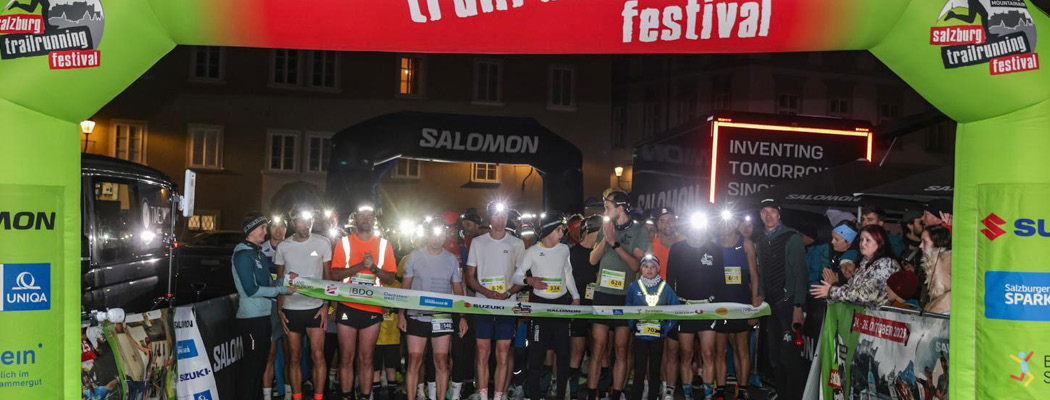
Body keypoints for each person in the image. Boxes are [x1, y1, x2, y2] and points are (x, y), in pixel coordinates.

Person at [331, 204, 398, 400]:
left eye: (370, 216)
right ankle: (346, 396)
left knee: (367, 358)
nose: (366, 219)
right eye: (363, 216)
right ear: (355, 219)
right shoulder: (344, 243)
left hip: (372, 308)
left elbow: (390, 278)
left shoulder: (384, 245)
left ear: (374, 220)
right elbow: (335, 274)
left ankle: (365, 395)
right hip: (347, 306)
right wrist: (361, 265)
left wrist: (374, 268)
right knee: (346, 358)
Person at [587, 191, 648, 400]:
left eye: (607, 207)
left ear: (620, 208)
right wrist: (606, 238)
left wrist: (615, 243)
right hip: (603, 294)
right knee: (598, 347)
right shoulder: (605, 229)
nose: (605, 211)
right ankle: (592, 393)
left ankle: (617, 393)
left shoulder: (639, 230)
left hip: (625, 296)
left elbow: (635, 266)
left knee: (621, 349)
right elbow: (592, 260)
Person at [513, 212, 580, 400]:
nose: (562, 234)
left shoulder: (564, 249)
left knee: (563, 354)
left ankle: (560, 395)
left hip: (561, 305)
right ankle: (534, 395)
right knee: (536, 355)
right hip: (540, 307)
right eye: (559, 230)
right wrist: (529, 280)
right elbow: (515, 276)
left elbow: (568, 273)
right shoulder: (532, 251)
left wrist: (575, 296)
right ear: (549, 232)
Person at [400, 221, 470, 400]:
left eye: (440, 235)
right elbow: (404, 289)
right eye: (433, 234)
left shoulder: (451, 259)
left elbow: (458, 289)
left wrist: (462, 316)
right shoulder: (414, 257)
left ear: (445, 236)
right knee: (414, 361)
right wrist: (401, 314)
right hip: (416, 316)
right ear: (427, 235)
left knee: (441, 362)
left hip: (442, 317)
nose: (436, 239)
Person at [464, 202, 527, 400]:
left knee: (502, 353)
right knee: (483, 352)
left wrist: (508, 293)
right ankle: (482, 394)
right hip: (483, 304)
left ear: (506, 218)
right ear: (489, 219)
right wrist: (485, 292)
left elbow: (522, 277)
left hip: (507, 305)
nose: (499, 220)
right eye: (495, 216)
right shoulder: (478, 242)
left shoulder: (517, 244)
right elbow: (470, 276)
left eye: (503, 216)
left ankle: (499, 395)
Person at [233, 213, 295, 400]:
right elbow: (250, 290)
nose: (265, 231)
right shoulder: (243, 254)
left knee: (260, 364)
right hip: (251, 319)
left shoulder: (257, 253)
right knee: (251, 366)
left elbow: (269, 284)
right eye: (262, 228)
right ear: (251, 231)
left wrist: (287, 279)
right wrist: (281, 290)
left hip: (263, 316)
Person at [665, 211, 724, 400]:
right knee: (686, 353)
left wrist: (716, 304)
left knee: (708, 353)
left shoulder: (715, 249)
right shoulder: (677, 249)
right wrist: (674, 305)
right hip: (684, 307)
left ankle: (708, 394)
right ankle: (687, 394)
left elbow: (720, 280)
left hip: (708, 308)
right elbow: (670, 279)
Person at [753, 199, 808, 400]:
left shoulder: (791, 237)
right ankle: (783, 393)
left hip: (788, 302)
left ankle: (794, 396)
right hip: (771, 305)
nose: (768, 215)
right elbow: (761, 271)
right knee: (774, 357)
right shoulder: (760, 239)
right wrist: (760, 294)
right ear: (760, 216)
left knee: (789, 357)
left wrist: (798, 306)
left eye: (773, 211)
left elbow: (801, 273)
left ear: (779, 215)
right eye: (764, 211)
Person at [278, 209, 334, 400]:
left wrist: (326, 305)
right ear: (293, 223)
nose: (306, 224)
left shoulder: (322, 242)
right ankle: (296, 396)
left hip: (315, 308)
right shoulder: (283, 246)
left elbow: (328, 278)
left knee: (318, 356)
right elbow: (279, 280)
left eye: (309, 220)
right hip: (291, 308)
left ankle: (318, 397)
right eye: (301, 221)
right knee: (293, 357)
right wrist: (279, 310)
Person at [714, 211, 760, 400]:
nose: (725, 226)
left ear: (735, 224)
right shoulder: (713, 243)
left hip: (740, 303)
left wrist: (754, 306)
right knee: (720, 350)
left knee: (741, 349)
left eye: (728, 223)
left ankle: (742, 390)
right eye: (721, 223)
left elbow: (755, 275)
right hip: (718, 305)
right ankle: (720, 390)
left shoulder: (745, 243)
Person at [625, 254, 680, 400]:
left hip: (658, 336)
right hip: (639, 336)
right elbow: (628, 307)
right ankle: (636, 396)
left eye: (653, 267)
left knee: (655, 370)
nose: (649, 270)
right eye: (645, 266)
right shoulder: (634, 286)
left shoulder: (665, 287)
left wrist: (666, 328)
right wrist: (633, 325)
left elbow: (676, 309)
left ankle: (653, 396)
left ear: (658, 269)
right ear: (641, 269)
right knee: (639, 370)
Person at [811, 225, 901, 307]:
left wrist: (832, 291)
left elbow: (867, 296)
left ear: (880, 242)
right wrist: (832, 289)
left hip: (880, 320)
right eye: (861, 240)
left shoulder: (886, 264)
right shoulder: (864, 263)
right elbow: (851, 289)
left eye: (868, 240)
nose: (862, 244)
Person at [569, 215, 601, 400]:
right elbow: (571, 281)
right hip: (579, 307)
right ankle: (571, 392)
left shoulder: (604, 253)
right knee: (577, 352)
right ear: (589, 231)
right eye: (600, 232)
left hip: (598, 308)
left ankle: (597, 392)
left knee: (599, 350)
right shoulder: (573, 253)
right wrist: (593, 277)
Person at [262, 217, 290, 399]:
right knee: (269, 356)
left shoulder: (292, 246)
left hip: (289, 305)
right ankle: (267, 394)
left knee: (291, 355)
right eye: (275, 226)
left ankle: (288, 393)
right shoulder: (260, 249)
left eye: (282, 226)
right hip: (269, 307)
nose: (278, 230)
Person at [811, 222, 860, 288]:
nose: (832, 242)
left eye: (836, 239)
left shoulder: (852, 258)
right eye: (832, 238)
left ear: (848, 242)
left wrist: (834, 285)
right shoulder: (831, 251)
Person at [921, 225, 952, 314]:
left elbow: (944, 297)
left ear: (938, 243)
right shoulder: (930, 264)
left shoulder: (946, 263)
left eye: (925, 242)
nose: (920, 246)